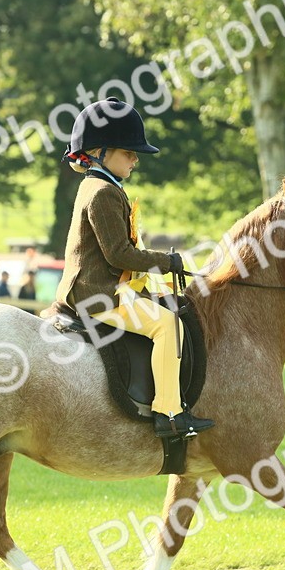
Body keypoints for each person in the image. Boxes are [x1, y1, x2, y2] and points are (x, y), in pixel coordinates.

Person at [56, 98, 214, 439]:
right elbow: (118, 255)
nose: (135, 160)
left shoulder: (100, 187)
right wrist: (166, 261)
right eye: (128, 152)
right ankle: (169, 414)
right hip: (97, 295)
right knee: (167, 325)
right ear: (100, 152)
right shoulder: (102, 193)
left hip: (106, 287)